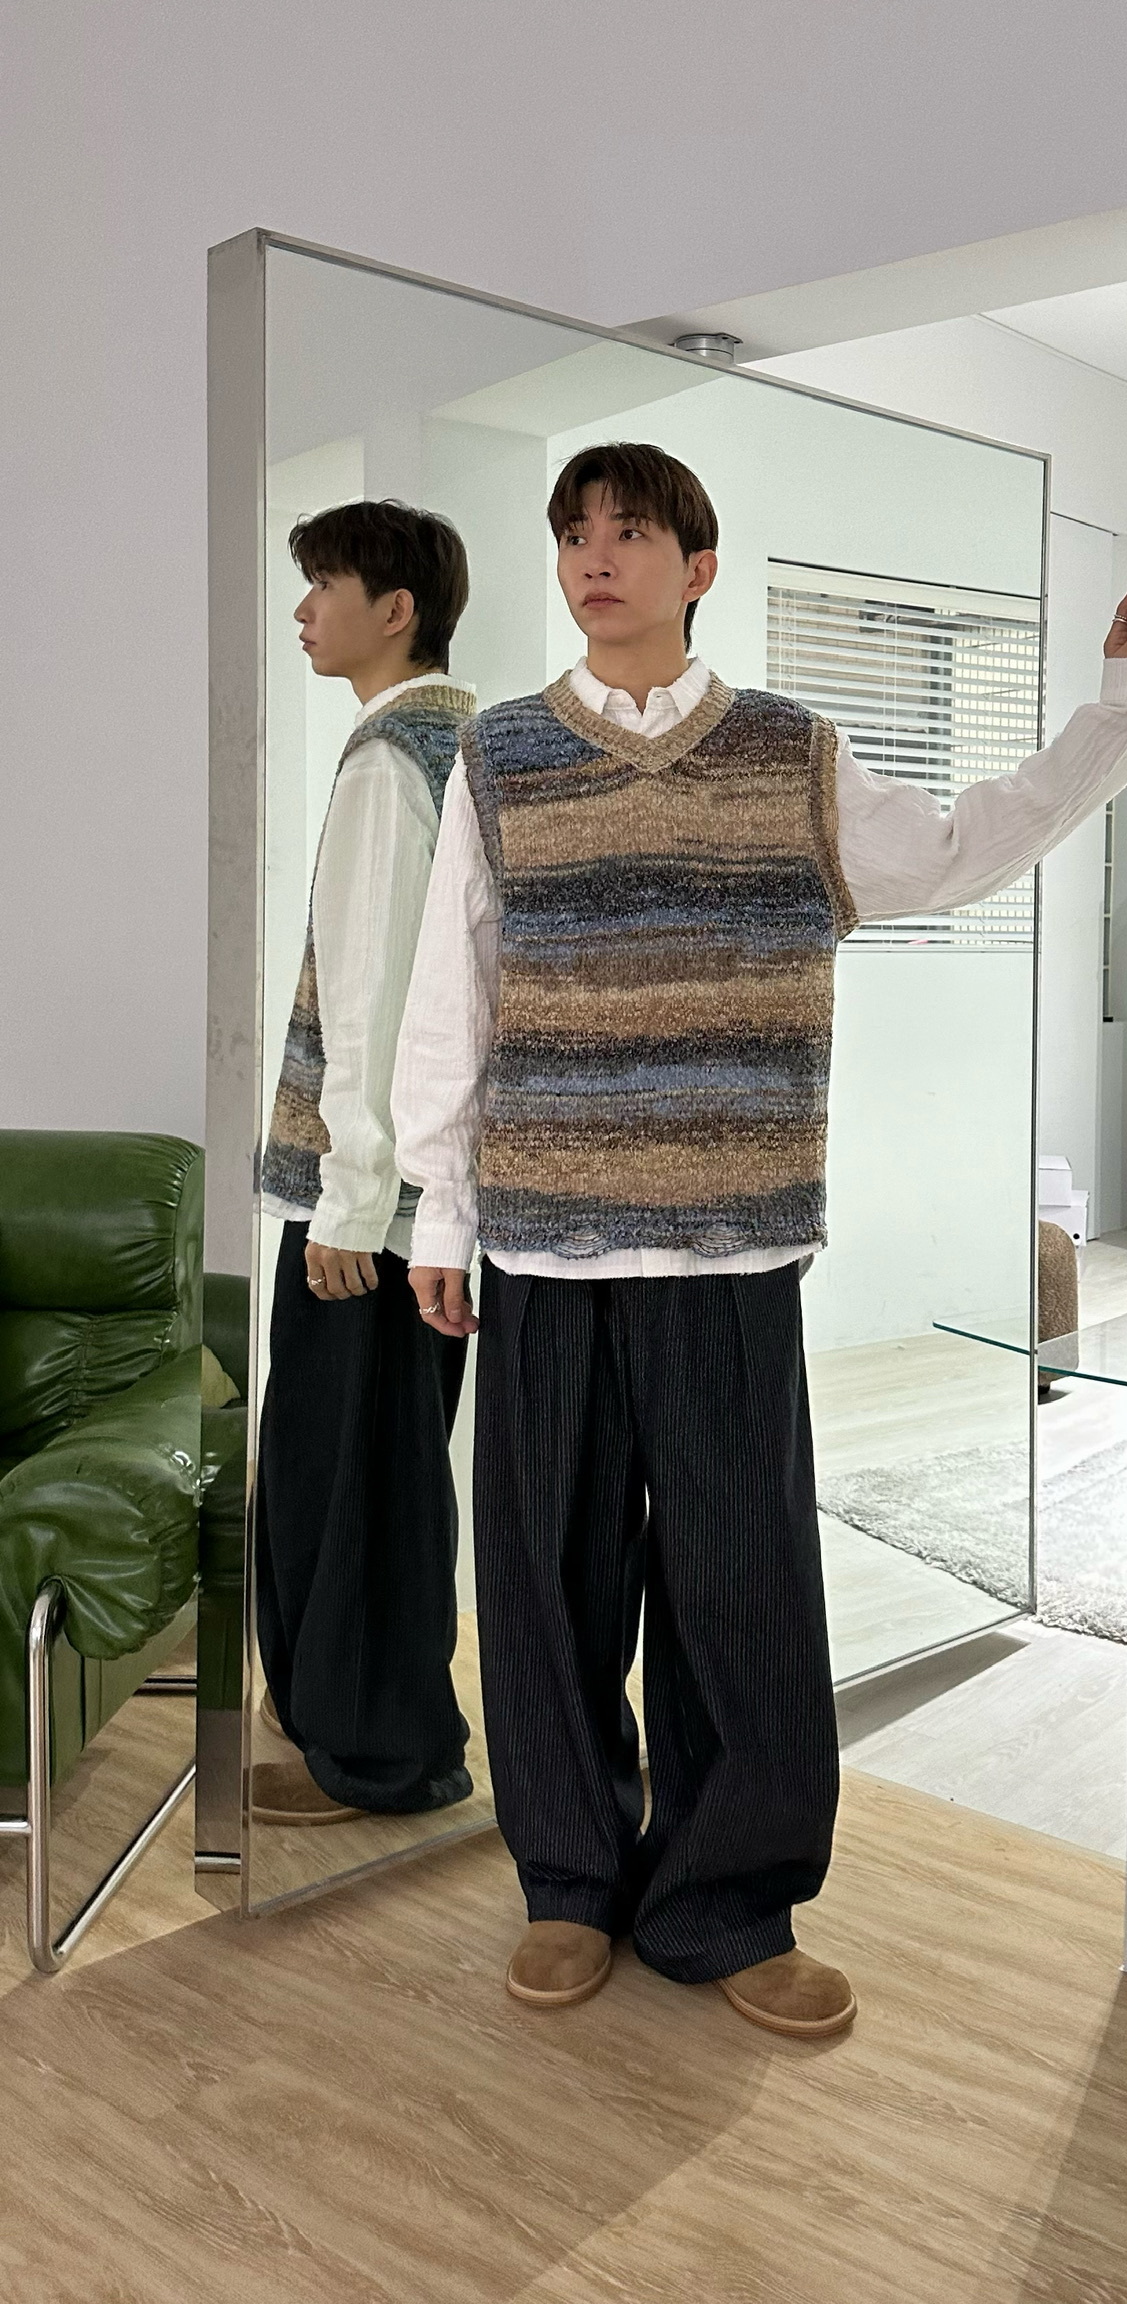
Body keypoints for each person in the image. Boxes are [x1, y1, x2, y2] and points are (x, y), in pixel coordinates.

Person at [393, 442, 1127, 2032]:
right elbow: (451, 993)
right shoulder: (503, 756)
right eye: (574, 534)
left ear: (698, 568)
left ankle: (728, 1904)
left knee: (740, 1588)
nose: (596, 558)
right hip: (544, 1248)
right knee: (544, 1589)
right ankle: (569, 1882)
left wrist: (1115, 719)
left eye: (630, 533)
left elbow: (959, 846)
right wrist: (437, 1212)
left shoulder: (792, 753)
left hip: (730, 1251)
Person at [255, 499, 477, 1825]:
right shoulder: (468, 740)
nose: (303, 610)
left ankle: (379, 1757)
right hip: (422, 1203)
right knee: (383, 1472)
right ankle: (367, 1731)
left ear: (395, 611)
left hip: (374, 1210)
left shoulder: (392, 762)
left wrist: (351, 1202)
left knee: (347, 1481)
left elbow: (376, 996)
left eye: (323, 586)